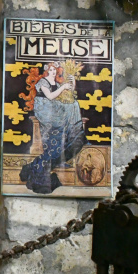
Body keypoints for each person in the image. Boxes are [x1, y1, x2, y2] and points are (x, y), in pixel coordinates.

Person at [18, 61, 86, 194]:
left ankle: (30, 168)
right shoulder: (43, 82)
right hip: (46, 109)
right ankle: (37, 174)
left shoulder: (56, 83)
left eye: (55, 70)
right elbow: (49, 96)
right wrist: (63, 87)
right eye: (51, 70)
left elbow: (69, 91)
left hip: (54, 109)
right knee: (52, 147)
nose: (53, 72)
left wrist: (72, 82)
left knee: (74, 104)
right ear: (46, 71)